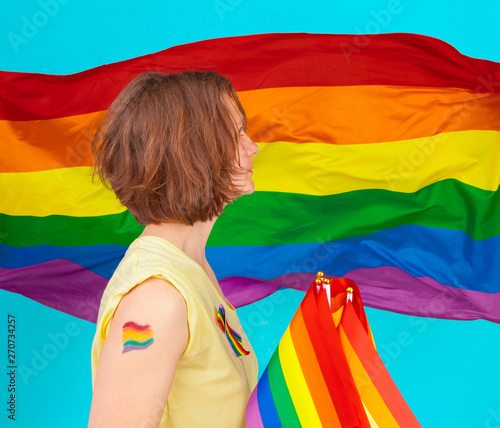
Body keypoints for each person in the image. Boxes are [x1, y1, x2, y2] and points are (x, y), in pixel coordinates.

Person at [88, 71, 260, 428]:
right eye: (237, 133)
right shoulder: (156, 299)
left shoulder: (193, 271)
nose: (252, 146)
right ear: (195, 152)